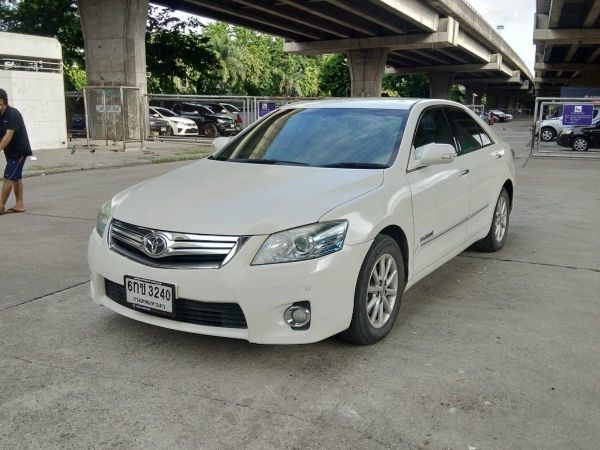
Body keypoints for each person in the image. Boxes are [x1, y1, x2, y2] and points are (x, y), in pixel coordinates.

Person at [0, 88, 32, 215]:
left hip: (19, 151)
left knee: (8, 177)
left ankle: (1, 206)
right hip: (10, 152)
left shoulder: (12, 114)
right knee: (16, 177)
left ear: (1, 100)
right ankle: (19, 205)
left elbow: (8, 135)